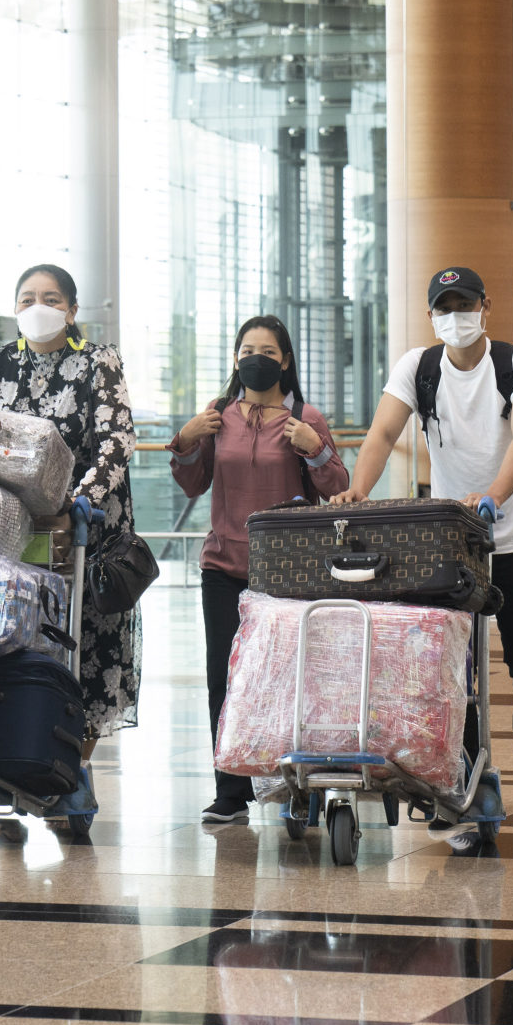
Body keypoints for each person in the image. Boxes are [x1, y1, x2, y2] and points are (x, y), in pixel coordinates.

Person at [332, 267, 513, 812]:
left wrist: (492, 498)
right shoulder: (419, 367)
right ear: (432, 314)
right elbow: (383, 433)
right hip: (450, 540)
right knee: (449, 660)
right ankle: (464, 760)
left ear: (486, 307)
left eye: (464, 305)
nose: (454, 317)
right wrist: (356, 493)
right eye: (444, 307)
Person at [0, 263, 137, 831]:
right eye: (27, 297)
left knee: (81, 651)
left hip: (82, 533)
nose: (37, 306)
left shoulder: (97, 361)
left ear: (71, 307)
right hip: (10, 534)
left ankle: (69, 766)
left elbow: (116, 439)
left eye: (50, 297)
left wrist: (83, 497)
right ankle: (9, 764)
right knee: (8, 641)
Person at [168, 316, 348, 825]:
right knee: (223, 678)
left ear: (285, 360)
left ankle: (301, 785)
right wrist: (185, 440)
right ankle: (230, 790)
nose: (257, 358)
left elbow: (335, 487)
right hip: (223, 564)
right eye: (247, 349)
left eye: (268, 351)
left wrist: (314, 448)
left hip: (288, 573)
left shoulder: (305, 416)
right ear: (234, 358)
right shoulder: (217, 415)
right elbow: (191, 485)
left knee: (291, 679)